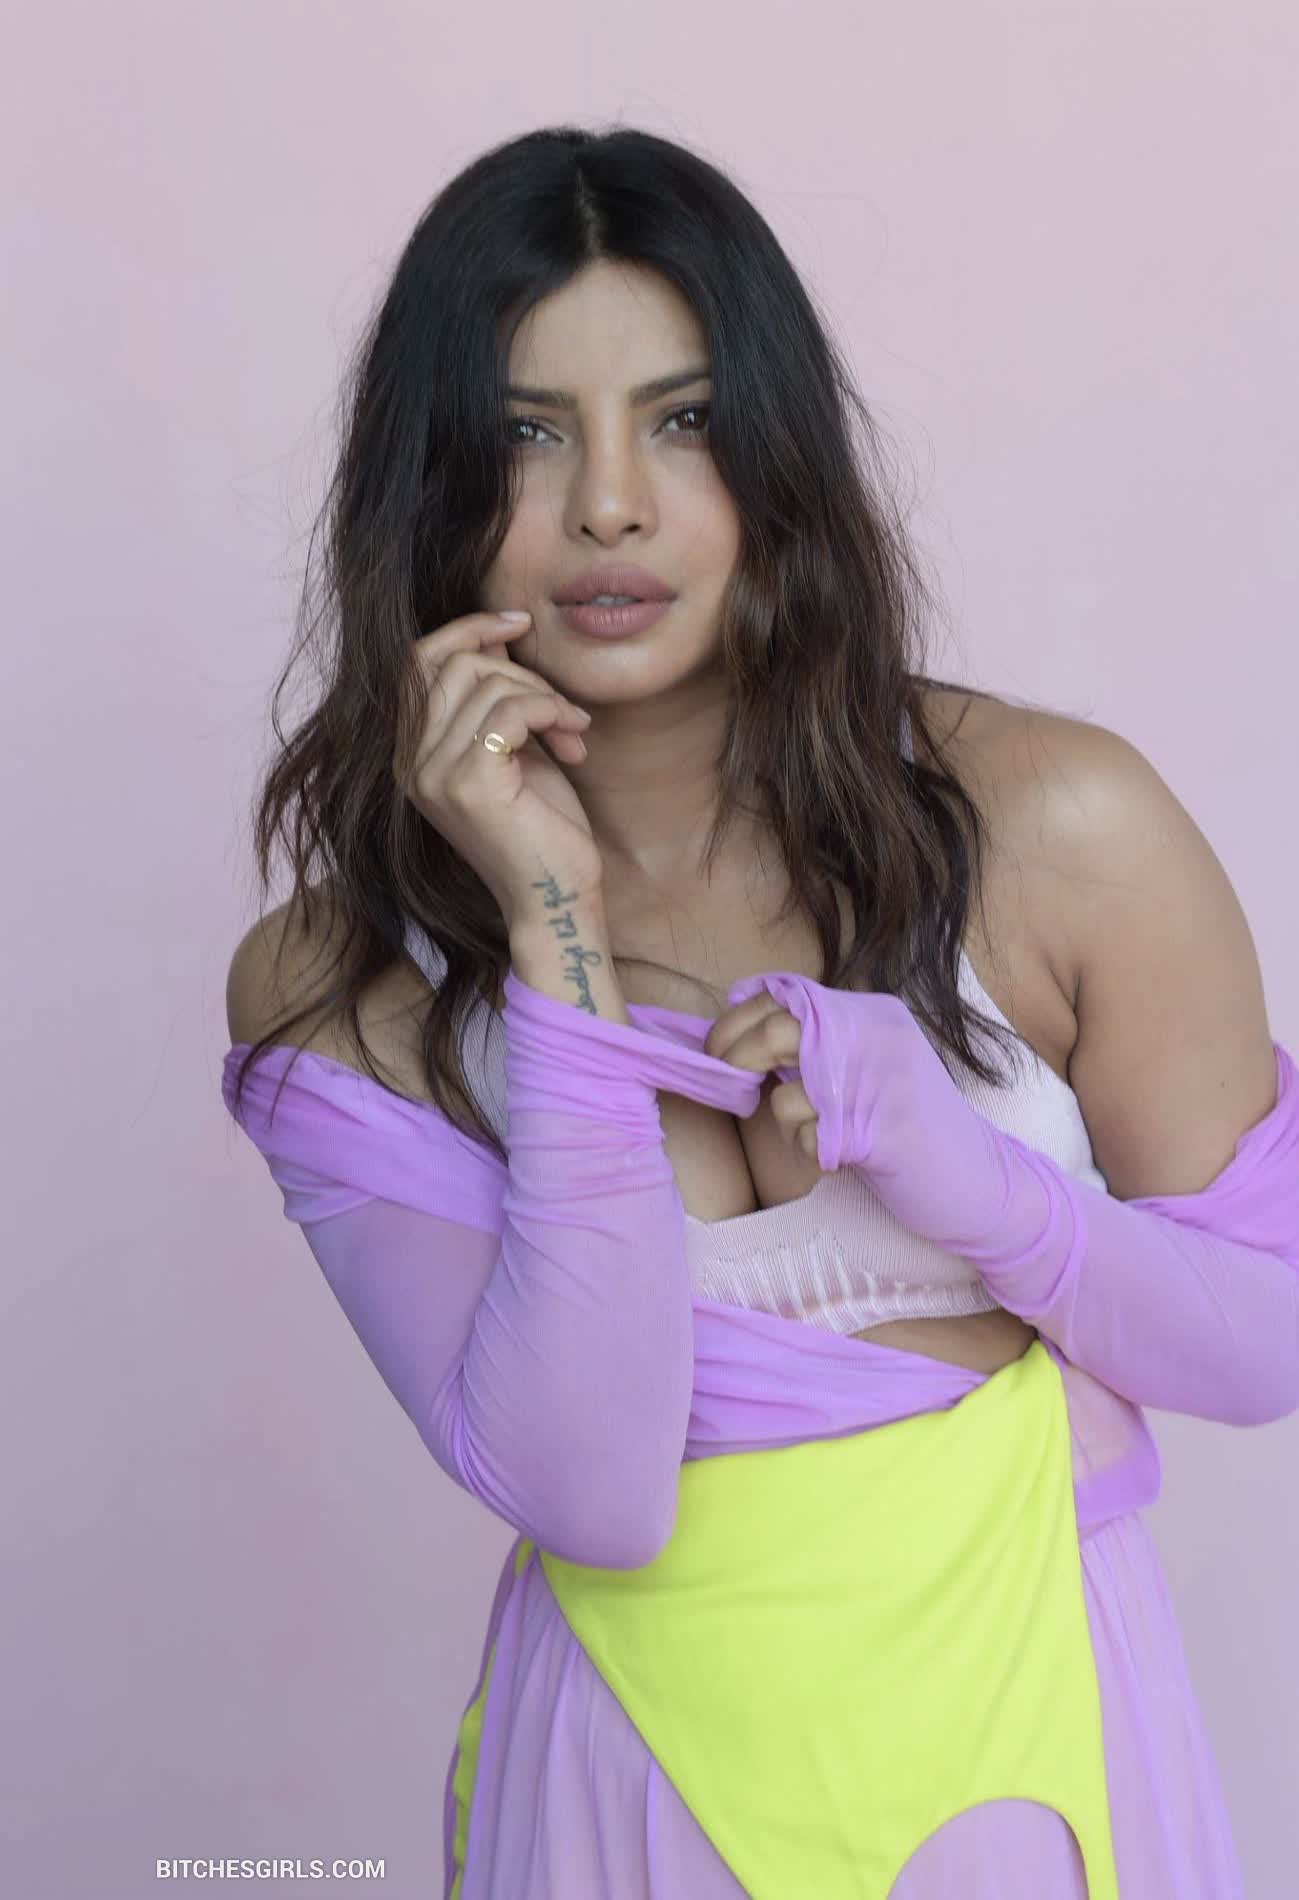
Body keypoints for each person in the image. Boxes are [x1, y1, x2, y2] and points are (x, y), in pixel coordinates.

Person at [220, 125, 1297, 1898]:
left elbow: (1262, 1346)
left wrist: (968, 1178)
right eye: (528, 433)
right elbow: (592, 1487)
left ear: (779, 451)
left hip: (1028, 1763)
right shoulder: (348, 985)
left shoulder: (1058, 827)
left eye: (686, 419)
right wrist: (552, 927)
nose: (610, 505)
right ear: (431, 482)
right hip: (626, 1796)